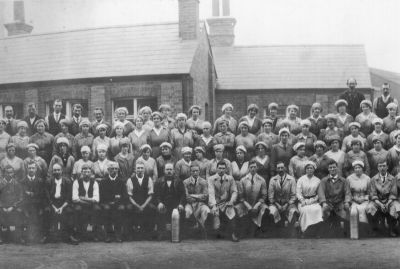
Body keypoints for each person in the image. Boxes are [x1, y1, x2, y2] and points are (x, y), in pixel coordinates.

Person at [43, 163, 78, 244]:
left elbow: (69, 197)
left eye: (58, 170)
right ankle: (46, 235)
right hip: (52, 203)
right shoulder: (48, 182)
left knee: (70, 212)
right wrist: (54, 208)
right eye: (55, 170)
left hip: (64, 204)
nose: (57, 172)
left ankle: (69, 236)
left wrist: (62, 208)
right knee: (46, 211)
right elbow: (47, 197)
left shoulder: (68, 181)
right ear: (52, 171)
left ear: (62, 171)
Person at [235, 160, 268, 237]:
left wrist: (257, 205)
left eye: (254, 167)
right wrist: (248, 206)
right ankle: (240, 232)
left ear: (257, 168)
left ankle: (261, 232)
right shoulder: (243, 180)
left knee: (266, 209)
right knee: (236, 209)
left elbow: (264, 195)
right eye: (251, 167)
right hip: (245, 204)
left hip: (258, 204)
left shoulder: (262, 180)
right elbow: (241, 196)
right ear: (248, 168)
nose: (253, 169)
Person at [208, 161, 239, 242]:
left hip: (226, 203)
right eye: (219, 168)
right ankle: (216, 233)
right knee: (215, 217)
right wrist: (214, 205)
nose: (221, 170)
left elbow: (234, 191)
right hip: (215, 203)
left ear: (226, 169)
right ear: (216, 169)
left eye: (223, 168)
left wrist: (231, 201)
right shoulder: (211, 179)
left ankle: (233, 234)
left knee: (231, 212)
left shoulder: (230, 178)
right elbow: (211, 193)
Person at [154, 163, 186, 240]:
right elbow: (156, 195)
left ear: (173, 171)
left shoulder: (178, 181)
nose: (169, 171)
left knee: (182, 211)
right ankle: (161, 233)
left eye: (170, 169)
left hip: (175, 204)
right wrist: (159, 203)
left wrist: (181, 204)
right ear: (164, 171)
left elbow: (183, 194)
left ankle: (179, 233)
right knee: (159, 210)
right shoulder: (159, 181)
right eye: (167, 169)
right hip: (164, 204)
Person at [126, 161, 156, 238]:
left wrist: (143, 206)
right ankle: (130, 233)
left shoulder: (149, 179)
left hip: (145, 202)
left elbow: (150, 195)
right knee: (128, 209)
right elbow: (130, 196)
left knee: (152, 208)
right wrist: (137, 206)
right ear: (135, 169)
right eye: (138, 168)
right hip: (134, 202)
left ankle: (149, 232)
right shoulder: (130, 180)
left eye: (141, 168)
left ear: (144, 169)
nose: (140, 170)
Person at [368, 161, 400, 237]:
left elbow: (393, 193)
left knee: (396, 207)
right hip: (377, 201)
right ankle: (375, 229)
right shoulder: (373, 179)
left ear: (387, 167)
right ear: (377, 168)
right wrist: (380, 204)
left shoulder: (392, 179)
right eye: (380, 166)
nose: (382, 168)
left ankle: (391, 229)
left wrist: (388, 203)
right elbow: (373, 194)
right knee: (369, 208)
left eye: (384, 166)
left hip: (390, 200)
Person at [71, 163, 101, 241]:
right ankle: (79, 234)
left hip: (90, 204)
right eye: (84, 172)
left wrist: (83, 198)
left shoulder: (94, 183)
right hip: (80, 204)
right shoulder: (76, 182)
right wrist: (89, 201)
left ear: (91, 173)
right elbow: (75, 198)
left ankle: (95, 234)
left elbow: (96, 199)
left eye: (88, 172)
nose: (86, 174)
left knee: (97, 209)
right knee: (77, 209)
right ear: (81, 172)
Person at [99, 162, 127, 242]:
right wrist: (113, 198)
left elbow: (124, 195)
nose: (114, 170)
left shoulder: (121, 181)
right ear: (108, 170)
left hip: (118, 203)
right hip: (106, 202)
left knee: (120, 209)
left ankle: (118, 234)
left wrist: (119, 199)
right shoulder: (103, 181)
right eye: (112, 169)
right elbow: (102, 195)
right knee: (106, 209)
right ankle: (108, 235)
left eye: (116, 169)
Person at [318, 159, 347, 236]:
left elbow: (347, 193)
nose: (332, 169)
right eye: (330, 168)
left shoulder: (343, 180)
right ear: (328, 169)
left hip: (339, 203)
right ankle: (325, 232)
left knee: (344, 213)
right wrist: (324, 203)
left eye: (334, 167)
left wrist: (347, 202)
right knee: (324, 212)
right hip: (328, 203)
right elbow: (321, 193)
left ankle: (343, 232)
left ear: (337, 168)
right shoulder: (324, 180)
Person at [268, 162, 299, 232]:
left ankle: (290, 232)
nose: (280, 169)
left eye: (282, 168)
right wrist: (277, 205)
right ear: (276, 169)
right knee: (271, 212)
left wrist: (286, 204)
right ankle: (275, 232)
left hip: (288, 204)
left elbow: (294, 195)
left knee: (293, 211)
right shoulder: (272, 180)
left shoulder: (291, 179)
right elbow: (270, 196)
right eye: (278, 168)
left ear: (285, 168)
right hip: (276, 204)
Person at [344, 160, 372, 236]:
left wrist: (365, 198)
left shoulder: (367, 178)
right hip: (353, 200)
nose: (357, 169)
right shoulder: (349, 179)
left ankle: (364, 232)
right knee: (353, 211)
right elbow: (347, 192)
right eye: (355, 168)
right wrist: (348, 201)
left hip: (365, 199)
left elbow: (370, 192)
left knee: (364, 209)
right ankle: (354, 234)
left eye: (359, 167)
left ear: (362, 169)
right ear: (353, 169)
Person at [21, 161, 46, 243]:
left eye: (33, 168)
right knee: (26, 218)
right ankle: (26, 237)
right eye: (29, 168)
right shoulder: (23, 181)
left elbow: (42, 195)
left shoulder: (40, 181)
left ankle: (40, 236)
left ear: (36, 169)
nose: (31, 170)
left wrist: (31, 194)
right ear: (27, 169)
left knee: (39, 217)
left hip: (37, 205)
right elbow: (22, 196)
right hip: (27, 206)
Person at [296, 161, 323, 236]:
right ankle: (304, 231)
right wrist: (302, 200)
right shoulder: (301, 179)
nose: (309, 170)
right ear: (305, 170)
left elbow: (319, 193)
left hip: (314, 201)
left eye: (311, 168)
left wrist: (312, 200)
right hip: (303, 201)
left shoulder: (317, 180)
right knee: (305, 210)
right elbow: (298, 192)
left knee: (318, 209)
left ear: (314, 169)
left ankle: (315, 231)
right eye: (307, 168)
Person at [183, 164, 209, 239]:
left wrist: (193, 196)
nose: (195, 173)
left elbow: (205, 196)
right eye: (193, 171)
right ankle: (188, 232)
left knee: (206, 210)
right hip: (190, 204)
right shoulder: (185, 182)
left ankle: (203, 231)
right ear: (190, 172)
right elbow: (187, 197)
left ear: (199, 171)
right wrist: (198, 196)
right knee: (187, 211)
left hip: (201, 204)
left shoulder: (204, 182)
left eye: (196, 171)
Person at [0, 165, 25, 244]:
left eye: (11, 172)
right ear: (4, 173)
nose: (9, 174)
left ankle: (18, 236)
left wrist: (13, 206)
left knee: (20, 213)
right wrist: (2, 206)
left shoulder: (17, 183)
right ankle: (1, 237)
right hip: (2, 207)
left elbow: (21, 198)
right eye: (7, 172)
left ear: (13, 173)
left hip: (13, 207)